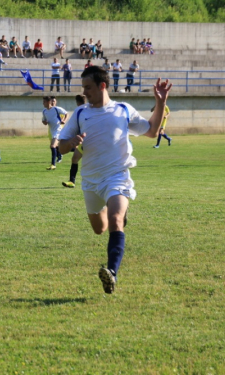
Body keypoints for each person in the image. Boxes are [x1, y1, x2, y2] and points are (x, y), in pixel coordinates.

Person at [58, 66, 172, 294]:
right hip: (91, 181)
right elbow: (60, 147)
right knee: (100, 229)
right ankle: (114, 208)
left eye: (88, 87)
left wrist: (160, 102)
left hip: (116, 176)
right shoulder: (81, 113)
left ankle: (112, 273)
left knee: (116, 219)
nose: (85, 92)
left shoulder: (122, 110)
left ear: (102, 86)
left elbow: (151, 131)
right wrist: (72, 142)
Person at [62, 94, 87, 188]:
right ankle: (71, 181)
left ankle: (72, 181)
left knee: (79, 160)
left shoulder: (80, 111)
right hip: (84, 141)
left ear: (77, 102)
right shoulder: (90, 109)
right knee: (75, 158)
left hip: (88, 141)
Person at [42, 96, 68, 170]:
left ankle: (53, 165)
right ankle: (74, 148)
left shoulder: (56, 109)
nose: (43, 103)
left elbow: (66, 113)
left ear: (48, 102)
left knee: (53, 146)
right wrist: (44, 122)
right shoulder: (44, 111)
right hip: (52, 131)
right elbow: (44, 121)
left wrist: (64, 121)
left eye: (44, 102)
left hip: (58, 130)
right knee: (56, 146)